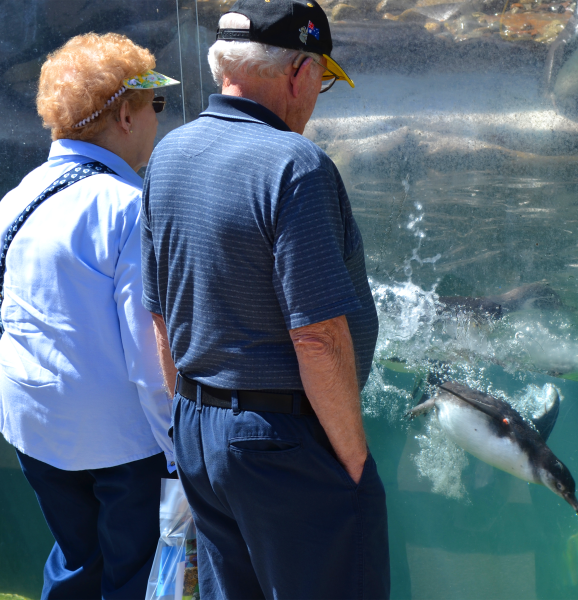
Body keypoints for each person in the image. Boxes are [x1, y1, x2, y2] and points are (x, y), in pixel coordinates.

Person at [141, 0, 390, 598]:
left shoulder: (168, 154)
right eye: (322, 81)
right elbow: (317, 337)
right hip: (284, 443)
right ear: (300, 72)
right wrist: (354, 465)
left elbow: (159, 313)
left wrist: (195, 418)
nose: (315, 98)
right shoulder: (295, 165)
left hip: (201, 431)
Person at [0, 33, 179, 600]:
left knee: (76, 562)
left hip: (34, 426)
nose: (159, 118)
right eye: (158, 104)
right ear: (126, 113)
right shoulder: (128, 207)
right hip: (121, 442)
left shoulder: (15, 199)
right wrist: (179, 452)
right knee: (135, 576)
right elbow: (150, 354)